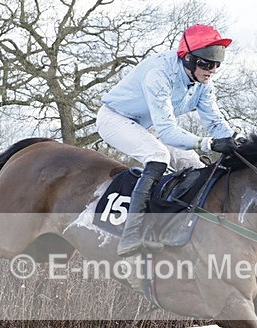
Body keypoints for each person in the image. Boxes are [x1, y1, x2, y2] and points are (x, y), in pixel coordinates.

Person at [97, 24, 238, 256]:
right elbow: (168, 132)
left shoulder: (203, 84)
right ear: (189, 59)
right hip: (115, 119)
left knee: (196, 167)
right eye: (206, 63)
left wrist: (234, 142)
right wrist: (209, 144)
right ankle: (131, 235)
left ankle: (177, 230)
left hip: (148, 125)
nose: (211, 70)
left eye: (216, 64)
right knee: (158, 156)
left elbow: (215, 122)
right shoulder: (159, 73)